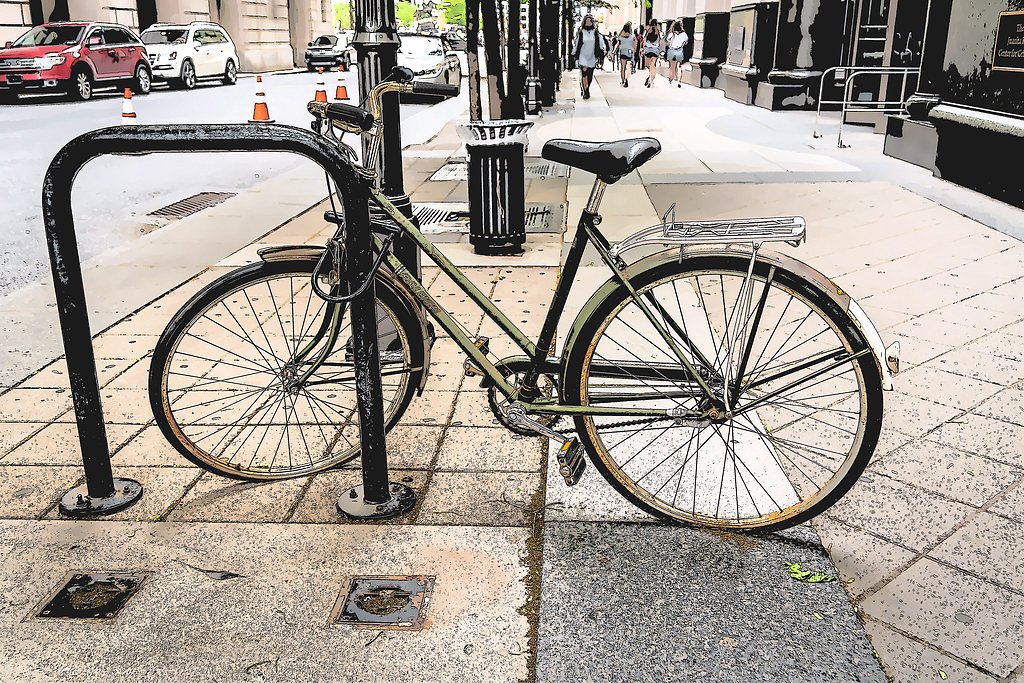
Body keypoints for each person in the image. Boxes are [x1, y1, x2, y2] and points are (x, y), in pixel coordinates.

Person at [573, 14, 604, 100]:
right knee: (584, 73)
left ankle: (586, 88)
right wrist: (574, 53)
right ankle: (585, 91)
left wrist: (602, 50)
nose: (588, 22)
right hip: (583, 55)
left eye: (590, 21)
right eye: (587, 21)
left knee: (590, 75)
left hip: (592, 55)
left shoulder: (595, 32)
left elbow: (600, 42)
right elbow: (577, 43)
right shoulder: (581, 32)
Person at [665, 20, 688, 87]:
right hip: (679, 50)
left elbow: (667, 41)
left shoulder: (671, 34)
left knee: (672, 67)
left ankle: (671, 81)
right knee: (679, 66)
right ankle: (679, 82)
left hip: (672, 50)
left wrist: (671, 44)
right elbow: (686, 42)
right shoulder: (684, 34)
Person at [643, 19, 661, 87]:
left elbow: (644, 39)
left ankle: (649, 76)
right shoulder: (658, 31)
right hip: (655, 50)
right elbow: (661, 40)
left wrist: (643, 48)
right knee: (653, 65)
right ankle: (652, 80)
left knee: (647, 65)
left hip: (648, 49)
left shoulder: (647, 30)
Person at [616, 22, 634, 87]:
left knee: (623, 67)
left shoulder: (620, 36)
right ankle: (626, 79)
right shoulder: (632, 36)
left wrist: (614, 51)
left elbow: (618, 43)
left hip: (623, 51)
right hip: (629, 51)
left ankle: (623, 80)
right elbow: (634, 45)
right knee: (628, 67)